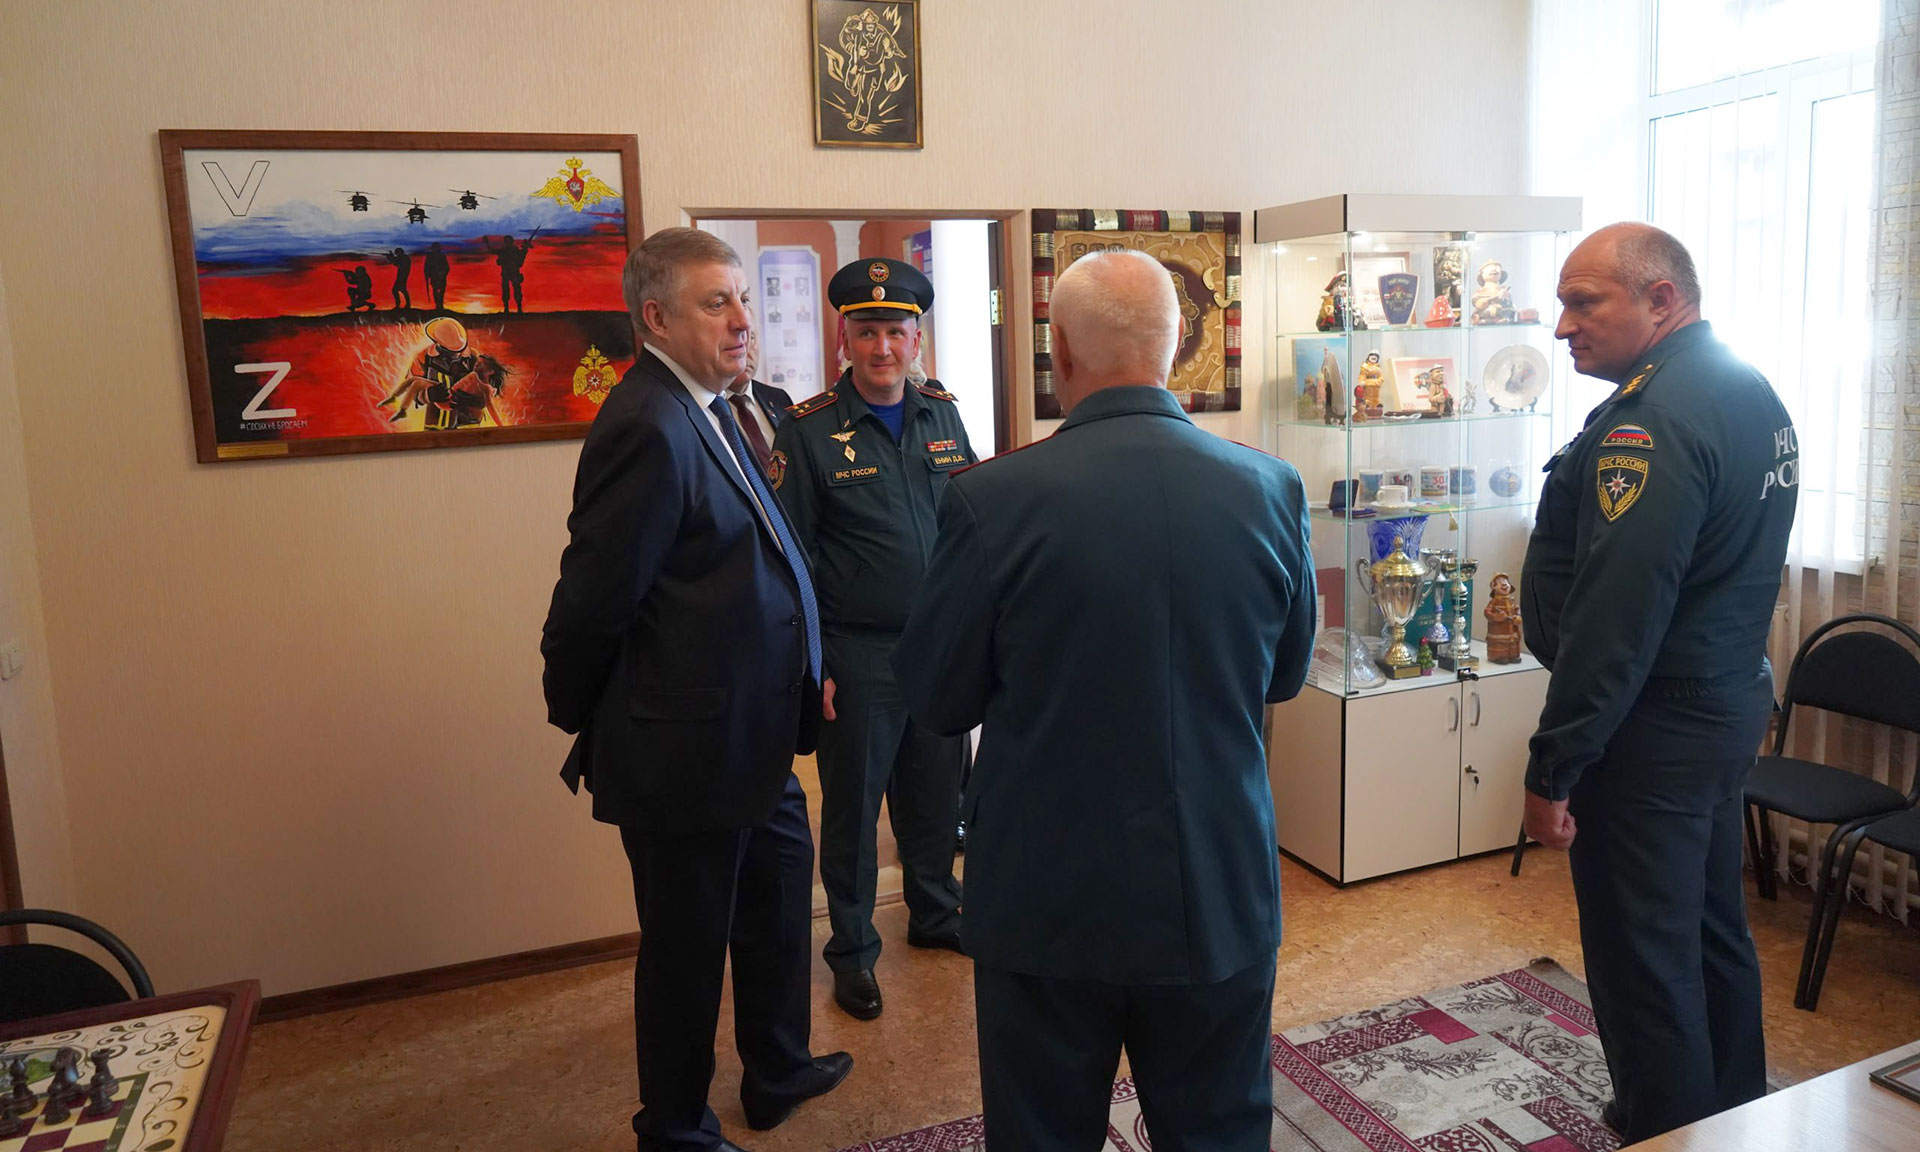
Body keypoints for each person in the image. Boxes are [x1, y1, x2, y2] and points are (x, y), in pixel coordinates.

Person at [892, 249, 1317, 1150]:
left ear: (1058, 351)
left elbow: (937, 700)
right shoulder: (1270, 487)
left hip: (1046, 890)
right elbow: (1283, 677)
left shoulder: (991, 498)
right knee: (1220, 1131)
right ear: (1177, 344)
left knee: (1042, 1133)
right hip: (1216, 879)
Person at [541, 227, 851, 1152]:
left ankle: (777, 1068)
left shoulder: (718, 407)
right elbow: (593, 600)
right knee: (686, 949)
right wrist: (588, 716)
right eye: (717, 303)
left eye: (743, 299)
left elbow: (754, 558)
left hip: (754, 731)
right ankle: (674, 1127)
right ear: (656, 318)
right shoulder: (647, 423)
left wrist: (807, 666)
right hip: (685, 750)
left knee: (777, 904)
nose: (742, 320)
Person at [1521, 222, 1798, 1143]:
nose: (1563, 326)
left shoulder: (1651, 420)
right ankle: (1731, 1115)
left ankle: (1666, 1127)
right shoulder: (1743, 386)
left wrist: (1555, 765)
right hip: (1720, 702)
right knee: (1711, 929)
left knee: (1643, 955)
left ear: (1661, 299)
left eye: (1584, 302)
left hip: (1653, 725)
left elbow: (1617, 618)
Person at [769, 257, 972, 1022]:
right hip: (857, 655)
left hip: (938, 647)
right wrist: (813, 663)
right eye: (866, 332)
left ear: (916, 339)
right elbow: (791, 557)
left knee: (935, 797)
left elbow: (970, 528)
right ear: (844, 340)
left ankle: (935, 912)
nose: (882, 346)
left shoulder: (942, 414)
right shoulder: (809, 429)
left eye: (895, 331)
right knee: (854, 813)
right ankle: (852, 951)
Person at [724, 327, 792, 475]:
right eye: (736, 338)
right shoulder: (706, 407)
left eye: (751, 338)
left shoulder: (779, 398)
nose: (744, 350)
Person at [423, 242, 451, 311]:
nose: (435, 249)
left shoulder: (442, 255)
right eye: (434, 247)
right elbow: (427, 266)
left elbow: (446, 266)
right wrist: (427, 275)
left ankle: (440, 305)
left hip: (441, 276)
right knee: (435, 290)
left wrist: (442, 273)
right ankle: (437, 305)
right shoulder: (430, 256)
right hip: (434, 276)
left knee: (441, 290)